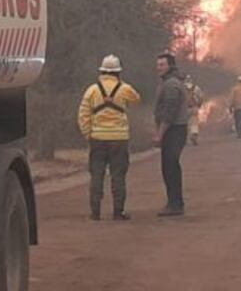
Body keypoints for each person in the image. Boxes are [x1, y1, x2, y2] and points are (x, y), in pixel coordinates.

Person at [77, 54, 141, 221]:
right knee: (118, 175)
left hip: (97, 138)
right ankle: (118, 212)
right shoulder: (125, 88)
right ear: (118, 72)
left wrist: (88, 134)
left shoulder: (92, 90)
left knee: (96, 174)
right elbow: (136, 99)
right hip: (119, 139)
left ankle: (95, 212)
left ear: (102, 71)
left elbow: (83, 114)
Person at [153, 52, 189, 216]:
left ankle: (175, 204)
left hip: (174, 130)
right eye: (158, 64)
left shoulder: (172, 85)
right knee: (169, 166)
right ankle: (175, 202)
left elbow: (170, 112)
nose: (158, 67)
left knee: (170, 166)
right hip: (173, 129)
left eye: (162, 65)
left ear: (170, 66)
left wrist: (160, 133)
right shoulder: (168, 83)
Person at [184, 75, 204, 146]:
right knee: (194, 123)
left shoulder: (182, 88)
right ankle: (193, 137)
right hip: (194, 107)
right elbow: (201, 97)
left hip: (184, 109)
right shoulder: (196, 88)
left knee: (184, 124)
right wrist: (199, 105)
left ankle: (184, 139)